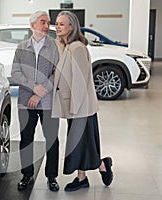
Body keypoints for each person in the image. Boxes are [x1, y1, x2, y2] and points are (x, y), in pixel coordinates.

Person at [52, 10, 113, 192]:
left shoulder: (77, 48)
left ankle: (102, 165)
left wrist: (75, 108)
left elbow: (80, 81)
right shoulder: (68, 46)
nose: (57, 26)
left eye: (62, 24)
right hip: (75, 107)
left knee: (83, 143)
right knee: (79, 144)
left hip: (80, 107)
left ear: (72, 27)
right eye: (57, 23)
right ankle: (82, 177)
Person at [11, 11, 60, 192]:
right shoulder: (21, 47)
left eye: (48, 22)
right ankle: (26, 174)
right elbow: (15, 73)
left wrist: (40, 93)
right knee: (26, 139)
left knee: (52, 140)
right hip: (25, 102)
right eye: (43, 22)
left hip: (47, 102)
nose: (47, 26)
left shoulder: (54, 47)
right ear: (32, 25)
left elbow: (58, 73)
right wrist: (33, 87)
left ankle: (52, 176)